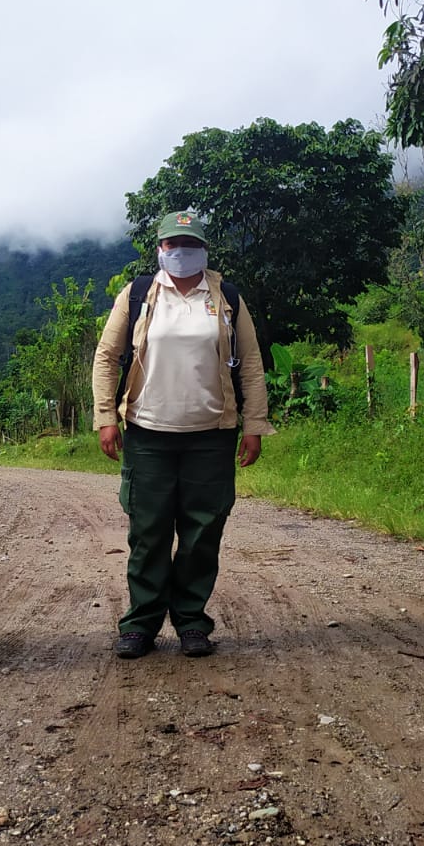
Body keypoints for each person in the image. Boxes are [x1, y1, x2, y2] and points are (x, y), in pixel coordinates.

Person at [90, 210, 273, 659]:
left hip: (212, 434)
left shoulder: (227, 297)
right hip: (148, 432)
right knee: (148, 532)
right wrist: (105, 416)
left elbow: (251, 363)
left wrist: (254, 425)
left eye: (189, 245)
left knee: (202, 532)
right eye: (172, 244)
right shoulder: (137, 295)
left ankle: (192, 621)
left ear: (205, 249)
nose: (180, 252)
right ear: (160, 248)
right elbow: (106, 355)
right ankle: (141, 623)